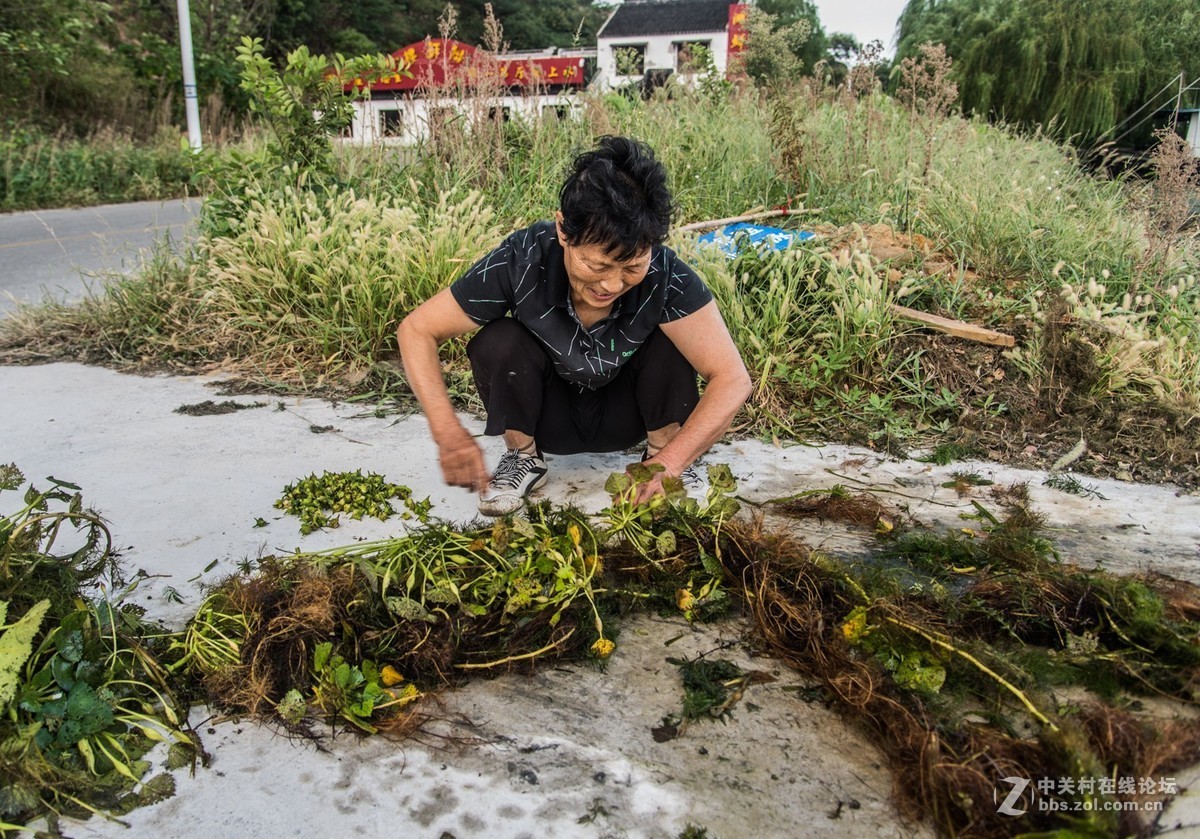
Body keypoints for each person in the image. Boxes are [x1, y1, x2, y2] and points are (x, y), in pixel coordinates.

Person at [397, 135, 751, 516]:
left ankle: (658, 457)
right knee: (498, 340)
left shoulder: (666, 273)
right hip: (549, 418)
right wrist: (447, 431)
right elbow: (416, 330)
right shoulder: (522, 259)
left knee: (673, 341)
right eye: (597, 265)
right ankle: (522, 457)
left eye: (632, 267)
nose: (611, 285)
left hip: (626, 417)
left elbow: (733, 379)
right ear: (563, 231)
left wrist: (671, 462)